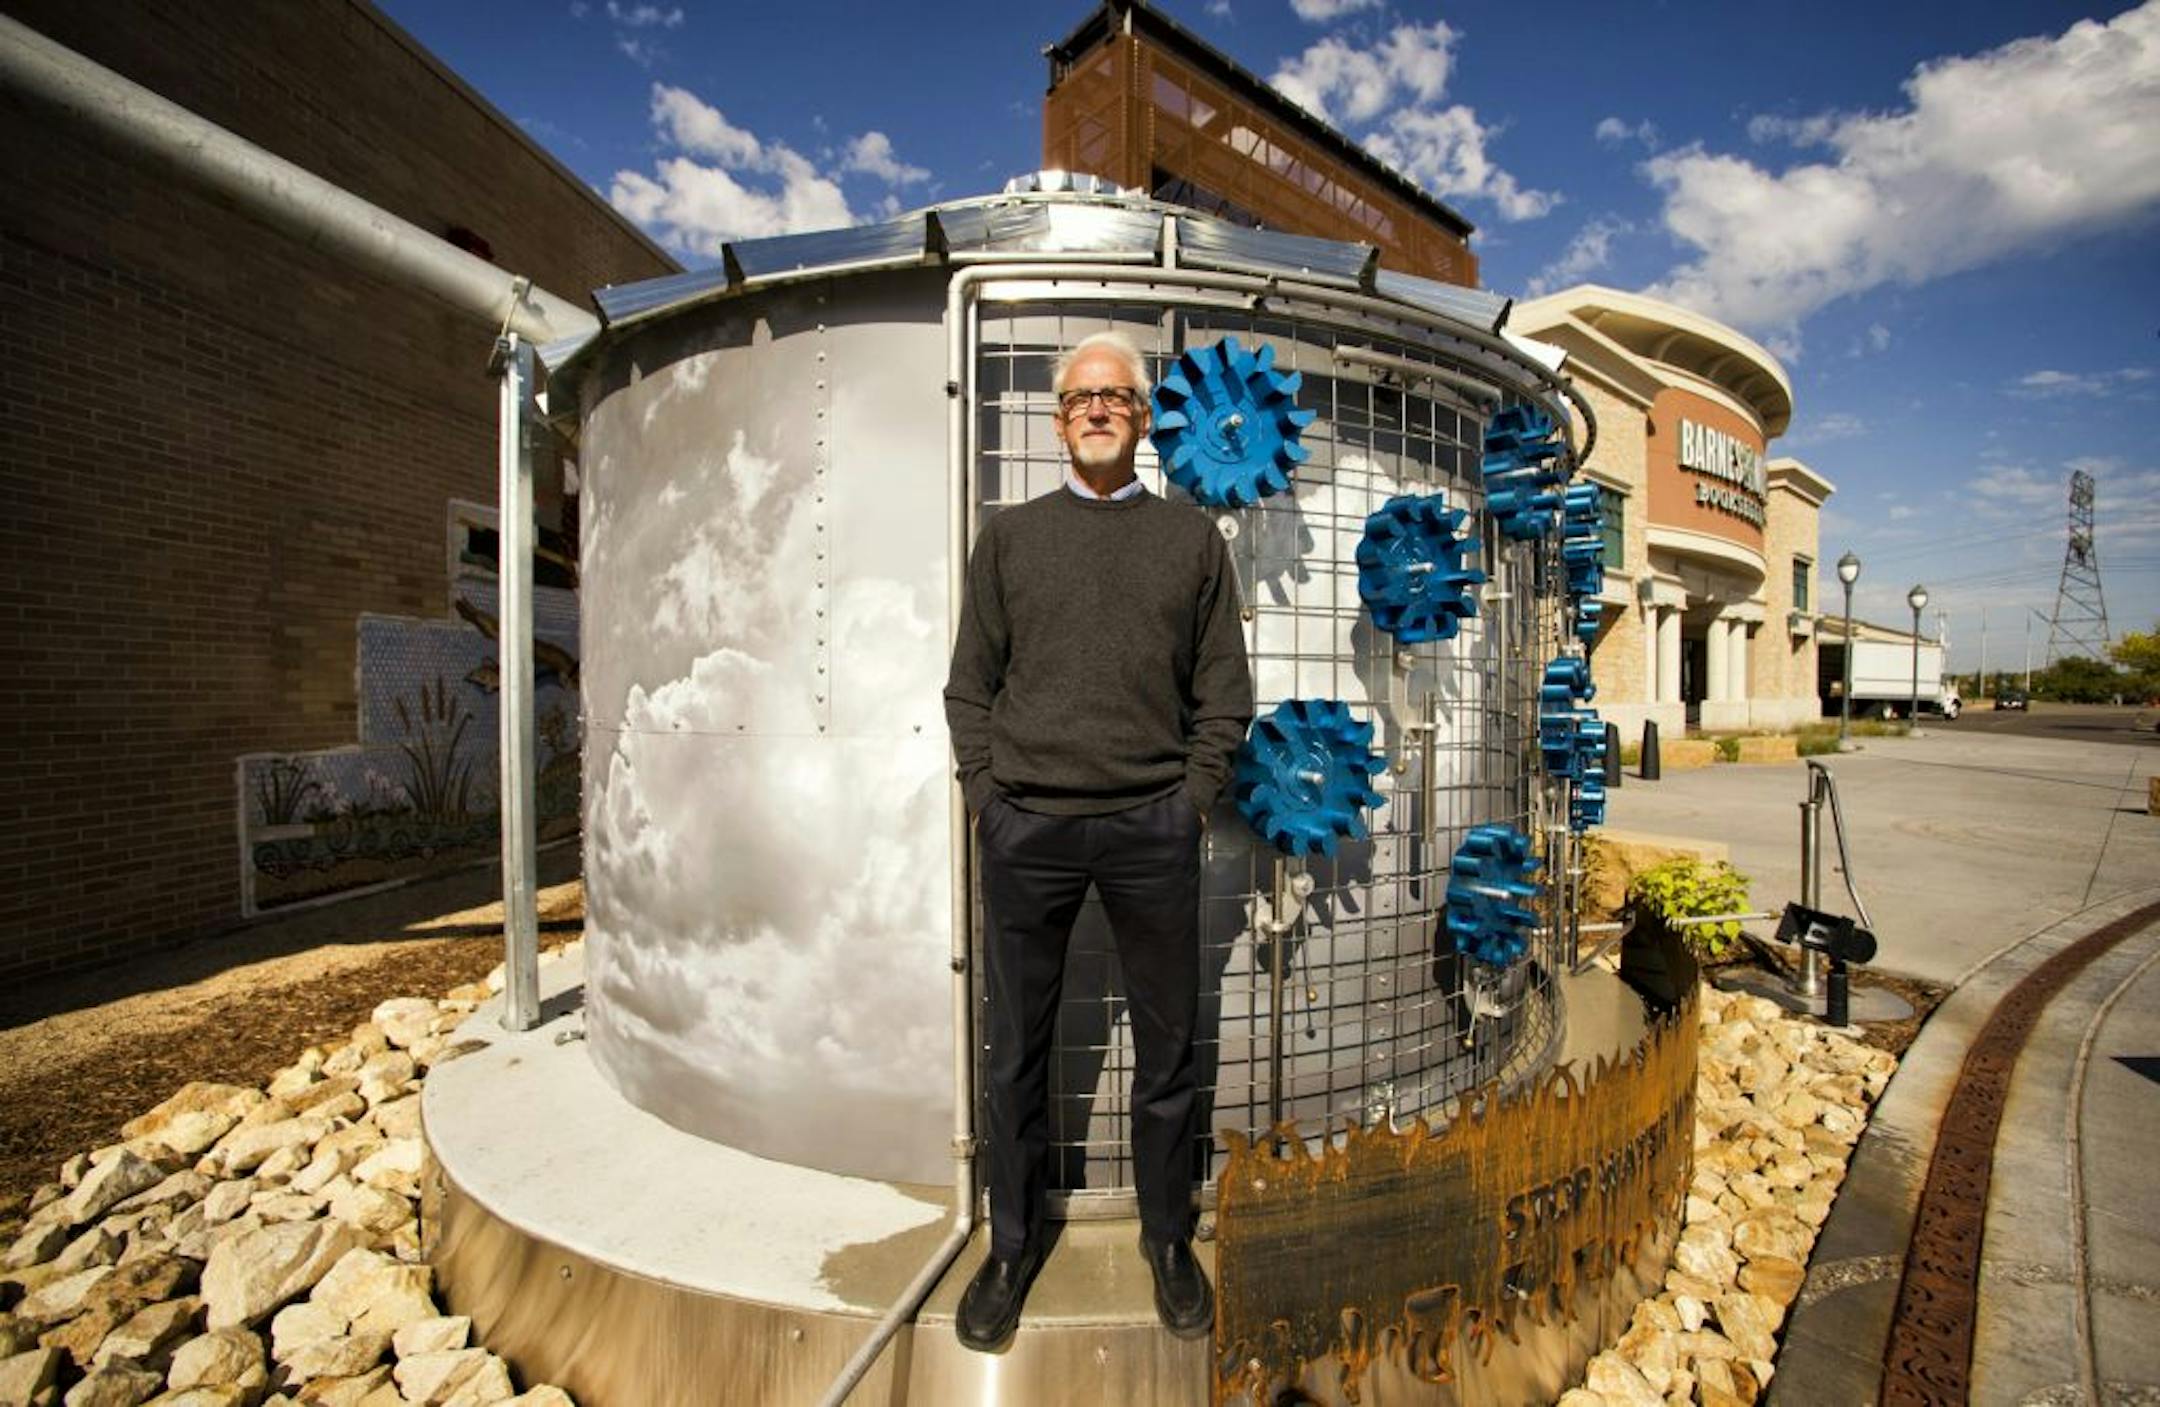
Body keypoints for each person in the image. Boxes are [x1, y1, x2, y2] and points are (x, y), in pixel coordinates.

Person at [943, 330, 1254, 1351]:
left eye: (1115, 394)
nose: (1097, 409)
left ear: (1143, 413)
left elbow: (1224, 698)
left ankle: (1169, 1239)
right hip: (1028, 829)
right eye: (1080, 395)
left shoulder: (1192, 542)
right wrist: (992, 799)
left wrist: (1189, 802)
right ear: (1056, 416)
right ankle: (1012, 1243)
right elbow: (968, 689)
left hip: (1149, 831)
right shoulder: (1012, 539)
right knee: (1018, 1049)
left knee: (1169, 1048)